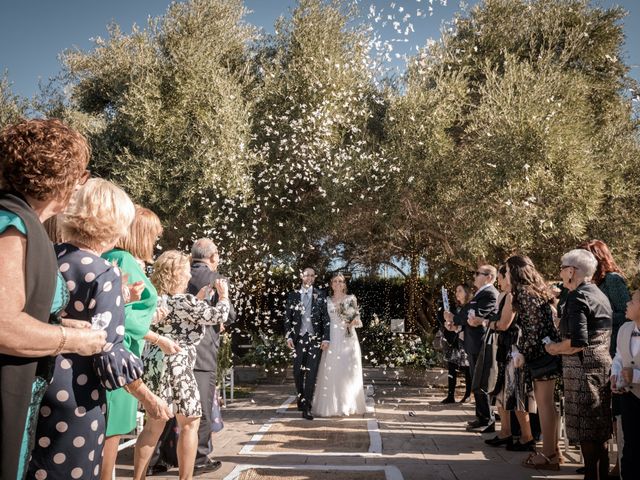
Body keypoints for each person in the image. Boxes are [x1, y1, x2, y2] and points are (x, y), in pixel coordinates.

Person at [27, 178, 172, 480]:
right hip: (77, 397)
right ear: (116, 225)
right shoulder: (105, 273)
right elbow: (109, 351)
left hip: (35, 384)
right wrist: (149, 399)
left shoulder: (46, 258)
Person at [0, 118, 107, 479]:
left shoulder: (24, 222)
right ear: (62, 178)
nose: (82, 184)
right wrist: (72, 339)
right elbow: (4, 326)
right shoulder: (11, 224)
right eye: (81, 174)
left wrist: (58, 324)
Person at [100, 206, 181, 480]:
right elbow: (127, 319)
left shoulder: (110, 256)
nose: (154, 242)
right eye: (153, 236)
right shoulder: (124, 260)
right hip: (120, 361)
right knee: (110, 439)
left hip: (112, 356)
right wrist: (154, 326)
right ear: (141, 234)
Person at [133, 250, 229, 480]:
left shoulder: (155, 299)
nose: (188, 276)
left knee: (153, 425)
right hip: (178, 363)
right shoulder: (183, 301)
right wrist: (224, 296)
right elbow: (218, 315)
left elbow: (178, 317)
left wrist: (199, 300)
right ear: (178, 275)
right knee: (189, 423)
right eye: (185, 271)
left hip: (155, 362)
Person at [546, 249, 613, 480]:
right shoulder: (598, 294)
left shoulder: (578, 297)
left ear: (572, 271)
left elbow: (577, 343)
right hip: (601, 366)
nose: (561, 273)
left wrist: (553, 348)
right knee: (599, 434)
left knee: (588, 434)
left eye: (562, 268)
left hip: (582, 372)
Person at [502, 255, 560, 470]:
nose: (506, 275)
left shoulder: (524, 293)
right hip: (546, 351)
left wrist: (523, 353)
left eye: (507, 271)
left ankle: (548, 455)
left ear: (515, 272)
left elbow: (534, 329)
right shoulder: (538, 290)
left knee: (544, 405)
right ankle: (553, 451)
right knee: (548, 405)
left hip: (541, 355)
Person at [579, 239, 630, 478]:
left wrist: (600, 318)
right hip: (597, 353)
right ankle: (599, 461)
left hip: (613, 352)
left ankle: (620, 465)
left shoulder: (613, 280)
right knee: (600, 414)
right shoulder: (592, 284)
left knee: (615, 413)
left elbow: (625, 312)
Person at [484, 265, 536, 452]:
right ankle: (505, 432)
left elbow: (504, 324)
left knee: (515, 394)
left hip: (514, 349)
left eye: (501, 276)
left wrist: (486, 322)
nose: (499, 280)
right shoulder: (504, 295)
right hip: (504, 347)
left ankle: (527, 436)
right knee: (501, 393)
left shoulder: (513, 296)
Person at [312, 272, 366, 417]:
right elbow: (322, 321)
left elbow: (357, 320)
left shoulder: (350, 298)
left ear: (344, 284)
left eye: (341, 281)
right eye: (335, 281)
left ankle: (347, 405)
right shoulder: (326, 300)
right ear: (331, 284)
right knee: (331, 370)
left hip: (348, 337)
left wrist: (351, 319)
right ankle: (331, 406)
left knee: (347, 370)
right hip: (331, 338)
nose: (338, 283)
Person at [455, 265, 499, 432]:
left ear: (488, 277)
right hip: (474, 342)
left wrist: (459, 318)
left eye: (477, 273)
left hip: (482, 342)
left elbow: (475, 314)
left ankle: (487, 419)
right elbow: (468, 313)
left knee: (482, 381)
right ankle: (481, 417)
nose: (474, 276)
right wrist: (457, 319)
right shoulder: (481, 293)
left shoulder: (489, 293)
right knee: (476, 380)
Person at [285, 267, 331, 420]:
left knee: (311, 373)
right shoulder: (292, 296)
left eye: (312, 275)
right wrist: (288, 337)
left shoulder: (321, 295)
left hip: (314, 339)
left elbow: (326, 318)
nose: (310, 278)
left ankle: (307, 407)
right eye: (307, 275)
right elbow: (288, 318)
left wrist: (326, 338)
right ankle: (301, 397)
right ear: (301, 276)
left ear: (315, 277)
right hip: (298, 338)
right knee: (298, 372)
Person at [611, 289, 640, 479]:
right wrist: (615, 375)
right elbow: (618, 357)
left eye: (633, 301)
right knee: (630, 446)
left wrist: (635, 376)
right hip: (628, 397)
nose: (627, 304)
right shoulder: (624, 329)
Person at [441, 284, 472, 404]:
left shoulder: (469, 307)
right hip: (454, 342)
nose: (456, 293)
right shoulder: (454, 306)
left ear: (467, 292)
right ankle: (450, 395)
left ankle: (468, 394)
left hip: (466, 342)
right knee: (451, 368)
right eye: (456, 290)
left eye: (459, 290)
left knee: (467, 369)